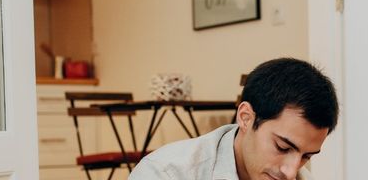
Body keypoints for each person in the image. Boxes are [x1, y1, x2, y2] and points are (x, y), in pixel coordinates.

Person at [129, 57, 339, 180]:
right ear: (246, 118)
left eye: (306, 156)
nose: (291, 172)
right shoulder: (166, 174)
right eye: (282, 147)